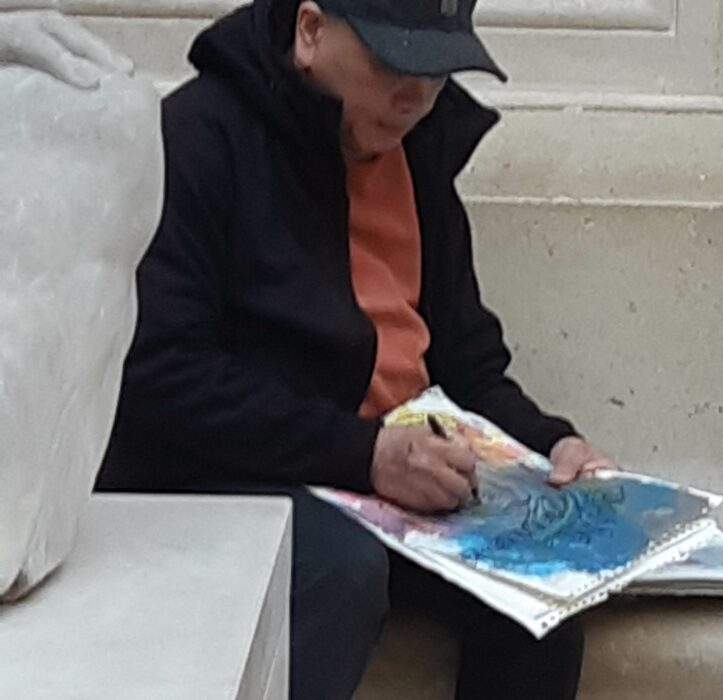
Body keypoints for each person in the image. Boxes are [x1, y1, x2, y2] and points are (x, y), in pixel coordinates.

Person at [97, 0, 613, 697]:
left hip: (382, 475)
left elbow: (467, 364)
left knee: (547, 589)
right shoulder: (196, 138)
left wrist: (551, 447)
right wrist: (363, 454)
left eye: (437, 70)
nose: (416, 96)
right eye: (392, 63)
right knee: (339, 569)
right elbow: (158, 372)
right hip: (230, 471)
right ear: (311, 32)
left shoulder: (418, 152)